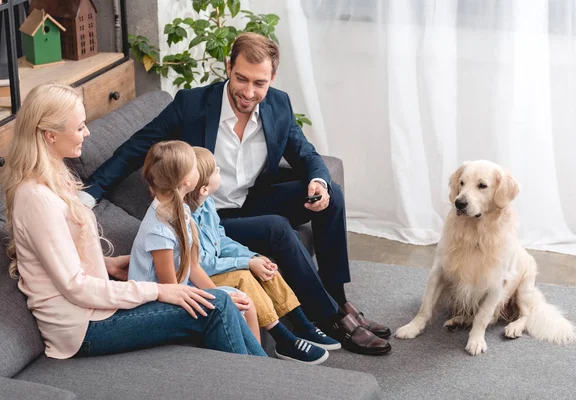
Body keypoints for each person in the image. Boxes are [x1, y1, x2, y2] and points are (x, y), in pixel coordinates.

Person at [82, 33, 391, 355]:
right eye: (241, 78)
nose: (248, 92)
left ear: (272, 77)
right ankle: (330, 319)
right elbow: (135, 148)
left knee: (332, 195)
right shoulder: (192, 104)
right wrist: (90, 194)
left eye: (259, 83)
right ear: (228, 67)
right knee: (276, 227)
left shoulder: (278, 104)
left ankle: (339, 300)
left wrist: (318, 183)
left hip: (252, 200)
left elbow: (307, 155)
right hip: (208, 215)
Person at [1, 83, 266, 359]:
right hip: (83, 328)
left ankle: (268, 378)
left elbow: (58, 261)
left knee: (223, 304)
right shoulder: (36, 198)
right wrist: (158, 291)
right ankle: (268, 382)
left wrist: (108, 265)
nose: (87, 133)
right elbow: (75, 286)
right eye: (79, 127)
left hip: (95, 309)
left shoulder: (54, 178)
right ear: (50, 135)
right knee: (218, 306)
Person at [184, 146, 339, 364]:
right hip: (199, 278)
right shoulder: (184, 219)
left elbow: (221, 240)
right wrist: (245, 262)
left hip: (215, 265)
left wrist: (252, 257)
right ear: (203, 188)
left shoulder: (208, 204)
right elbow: (199, 265)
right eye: (216, 171)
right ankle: (282, 338)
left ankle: (301, 323)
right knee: (245, 276)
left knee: (263, 265)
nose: (220, 171)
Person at [127, 140, 260, 342]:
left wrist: (217, 294)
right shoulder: (159, 230)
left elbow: (192, 265)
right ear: (187, 181)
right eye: (193, 167)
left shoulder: (181, 211)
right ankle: (248, 368)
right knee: (234, 308)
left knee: (244, 303)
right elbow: (169, 288)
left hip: (179, 293)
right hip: (158, 305)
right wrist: (219, 301)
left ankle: (257, 367)